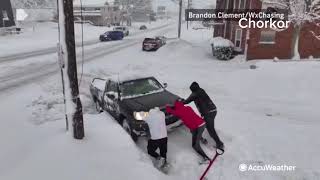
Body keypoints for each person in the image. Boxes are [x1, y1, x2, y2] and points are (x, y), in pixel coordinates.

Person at [183, 81, 224, 150]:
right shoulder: (201, 90)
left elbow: (187, 101)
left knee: (210, 129)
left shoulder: (195, 94)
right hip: (213, 110)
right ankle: (203, 139)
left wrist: (179, 102)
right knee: (205, 126)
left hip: (208, 113)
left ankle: (220, 144)